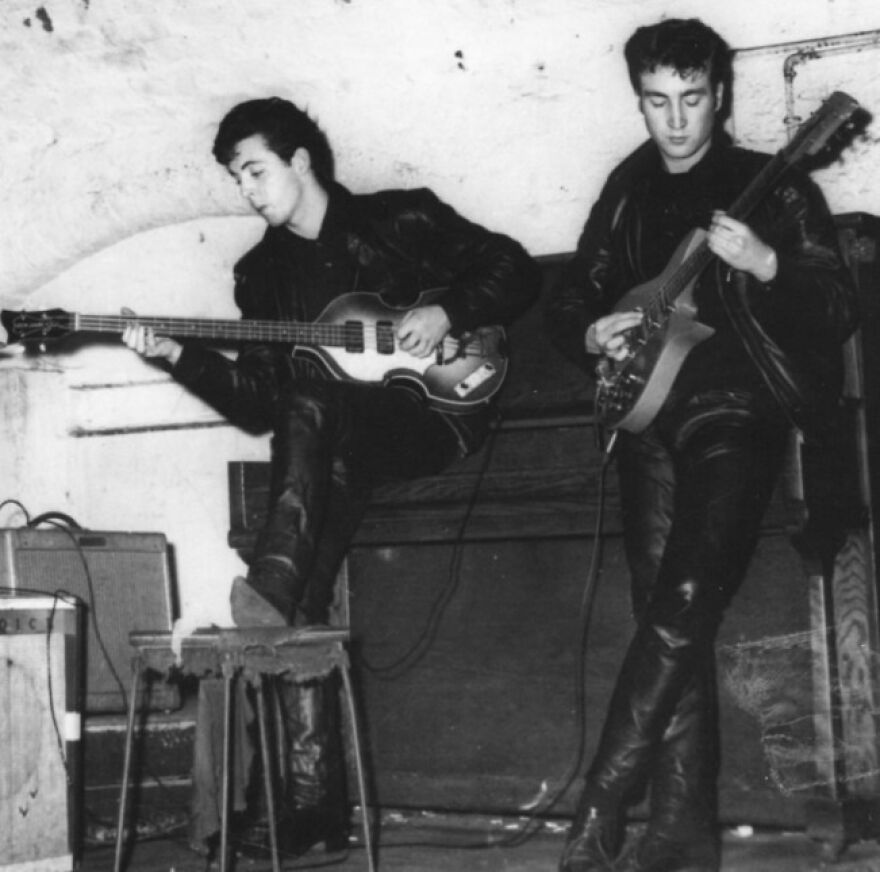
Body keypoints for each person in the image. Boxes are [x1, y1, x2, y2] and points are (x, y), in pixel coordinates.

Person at [122, 96, 539, 856]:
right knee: (305, 568)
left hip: (433, 414)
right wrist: (180, 356)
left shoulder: (399, 220)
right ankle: (308, 812)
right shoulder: (260, 277)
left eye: (255, 170)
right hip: (337, 449)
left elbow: (510, 267)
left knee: (311, 399)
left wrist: (446, 309)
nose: (247, 189)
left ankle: (265, 595)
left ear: (300, 160)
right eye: (236, 177)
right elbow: (257, 403)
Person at [545, 18, 857, 872]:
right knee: (665, 616)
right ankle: (680, 826)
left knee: (683, 600)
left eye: (691, 99)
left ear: (719, 94)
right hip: (647, 417)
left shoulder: (775, 182)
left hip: (736, 411)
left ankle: (599, 810)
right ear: (639, 101)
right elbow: (572, 296)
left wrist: (766, 265)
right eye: (657, 102)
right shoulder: (628, 186)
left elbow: (834, 308)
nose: (676, 121)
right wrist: (591, 331)